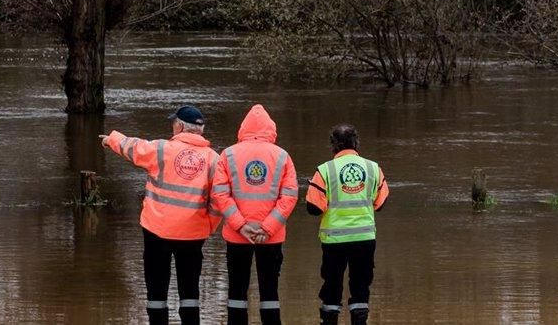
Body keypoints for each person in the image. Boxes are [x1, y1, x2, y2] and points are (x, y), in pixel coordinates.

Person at [104, 105, 220, 325]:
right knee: (190, 293)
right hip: (193, 234)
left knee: (156, 293)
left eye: (173, 122)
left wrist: (111, 139)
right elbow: (218, 201)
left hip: (156, 231)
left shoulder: (161, 149)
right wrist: (209, 226)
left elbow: (134, 148)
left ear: (178, 126)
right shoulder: (214, 159)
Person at [210, 104, 300, 325]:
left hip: (237, 234)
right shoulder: (282, 156)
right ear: (272, 129)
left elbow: (220, 194)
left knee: (237, 291)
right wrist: (268, 228)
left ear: (243, 129)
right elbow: (289, 196)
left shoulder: (228, 154)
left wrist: (241, 225)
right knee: (269, 291)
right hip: (271, 236)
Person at [306, 124, 388, 325]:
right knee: (361, 286)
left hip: (334, 239)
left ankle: (329, 321)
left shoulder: (325, 170)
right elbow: (381, 203)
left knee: (332, 286)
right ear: (356, 143)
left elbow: (313, 208)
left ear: (333, 145)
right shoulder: (373, 168)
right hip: (364, 239)